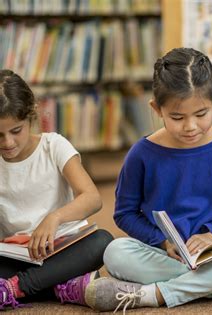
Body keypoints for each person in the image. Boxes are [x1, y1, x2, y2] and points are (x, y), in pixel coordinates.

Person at [84, 48, 212, 312]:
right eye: (177, 117)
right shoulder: (141, 154)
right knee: (115, 252)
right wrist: (162, 241)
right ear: (156, 108)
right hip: (166, 255)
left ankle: (157, 294)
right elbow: (125, 214)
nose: (190, 126)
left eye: (201, 114)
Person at [0, 69, 113, 310]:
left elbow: (93, 198)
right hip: (18, 256)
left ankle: (14, 289)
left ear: (30, 116)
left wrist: (55, 217)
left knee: (103, 242)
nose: (8, 143)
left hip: (63, 250)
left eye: (16, 131)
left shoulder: (54, 146)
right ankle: (64, 286)